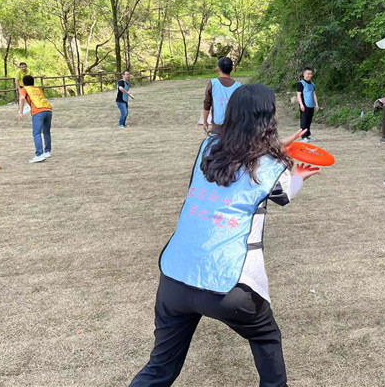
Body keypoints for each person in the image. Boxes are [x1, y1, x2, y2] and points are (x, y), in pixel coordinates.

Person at [130, 84, 320, 387]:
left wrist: (278, 150)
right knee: (266, 337)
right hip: (228, 284)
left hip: (175, 277)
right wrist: (297, 174)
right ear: (267, 119)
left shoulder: (208, 149)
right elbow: (282, 194)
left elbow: (241, 158)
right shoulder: (270, 167)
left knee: (160, 368)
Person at [202, 57, 241, 135]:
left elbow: (207, 104)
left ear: (219, 69)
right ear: (232, 69)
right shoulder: (238, 86)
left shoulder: (213, 83)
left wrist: (205, 122)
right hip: (234, 125)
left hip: (218, 126)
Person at [19, 75, 52, 163]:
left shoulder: (24, 89)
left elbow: (22, 98)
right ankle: (47, 151)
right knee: (46, 131)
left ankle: (39, 154)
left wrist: (21, 112)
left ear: (23, 83)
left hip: (38, 111)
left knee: (36, 133)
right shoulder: (38, 89)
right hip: (48, 109)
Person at [296, 68, 319, 141]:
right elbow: (298, 95)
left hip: (311, 104)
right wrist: (301, 105)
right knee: (304, 121)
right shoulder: (301, 83)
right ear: (304, 74)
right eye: (308, 74)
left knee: (309, 120)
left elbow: (314, 94)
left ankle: (308, 135)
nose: (309, 75)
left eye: (311, 74)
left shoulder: (312, 84)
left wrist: (316, 104)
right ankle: (303, 136)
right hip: (304, 104)